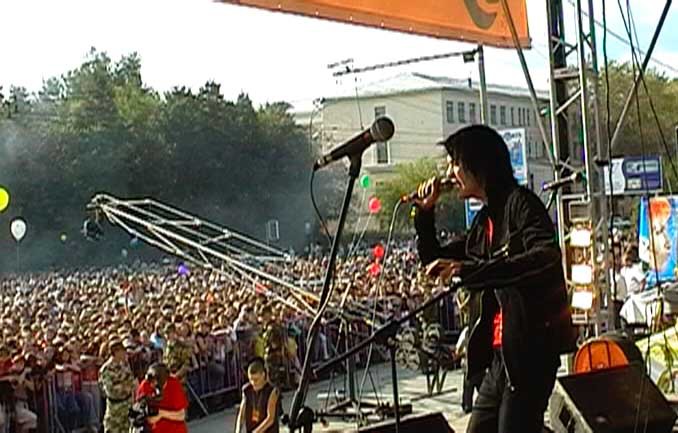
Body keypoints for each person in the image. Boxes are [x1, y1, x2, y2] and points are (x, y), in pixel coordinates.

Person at [412, 125, 577, 433]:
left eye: (456, 163)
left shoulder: (521, 204)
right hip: (499, 359)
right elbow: (435, 260)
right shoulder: (483, 222)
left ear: (480, 164)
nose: (450, 173)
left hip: (529, 353)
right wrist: (425, 214)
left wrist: (470, 270)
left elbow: (545, 256)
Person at [136, 363, 188, 433]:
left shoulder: (173, 383)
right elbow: (138, 410)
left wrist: (161, 414)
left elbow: (181, 415)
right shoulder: (144, 386)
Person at [99, 339, 136, 433]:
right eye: (123, 351)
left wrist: (126, 386)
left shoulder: (125, 364)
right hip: (115, 410)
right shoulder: (106, 369)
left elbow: (132, 381)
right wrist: (126, 387)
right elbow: (110, 390)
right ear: (116, 352)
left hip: (127, 406)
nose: (125, 353)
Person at [235, 357, 281, 433]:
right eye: (251, 379)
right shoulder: (247, 390)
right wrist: (238, 430)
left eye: (256, 380)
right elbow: (241, 414)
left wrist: (256, 432)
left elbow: (270, 418)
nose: (253, 383)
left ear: (263, 375)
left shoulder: (272, 391)